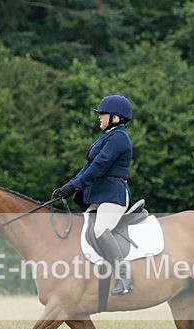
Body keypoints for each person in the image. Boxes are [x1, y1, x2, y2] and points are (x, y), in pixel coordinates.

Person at [52, 94, 134, 295]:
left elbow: (100, 165)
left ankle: (125, 277)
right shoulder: (107, 136)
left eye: (103, 114)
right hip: (100, 196)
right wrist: (70, 185)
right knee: (81, 231)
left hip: (113, 195)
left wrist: (75, 186)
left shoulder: (119, 137)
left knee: (99, 230)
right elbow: (88, 167)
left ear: (115, 117)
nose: (99, 117)